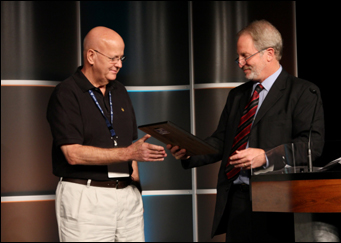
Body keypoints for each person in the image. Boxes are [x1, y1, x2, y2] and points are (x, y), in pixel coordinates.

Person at [167, 20, 325, 242]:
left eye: (245, 56)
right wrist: (190, 151)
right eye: (238, 57)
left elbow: (310, 147)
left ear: (269, 53)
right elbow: (223, 141)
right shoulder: (238, 95)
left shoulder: (303, 92)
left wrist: (265, 157)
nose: (240, 63)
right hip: (237, 200)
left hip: (278, 201)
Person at [47, 26, 167, 242]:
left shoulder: (119, 90)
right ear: (91, 56)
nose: (119, 64)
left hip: (126, 196)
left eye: (121, 58)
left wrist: (135, 191)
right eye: (113, 58)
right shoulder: (66, 93)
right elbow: (73, 154)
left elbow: (130, 146)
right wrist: (128, 153)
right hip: (86, 197)